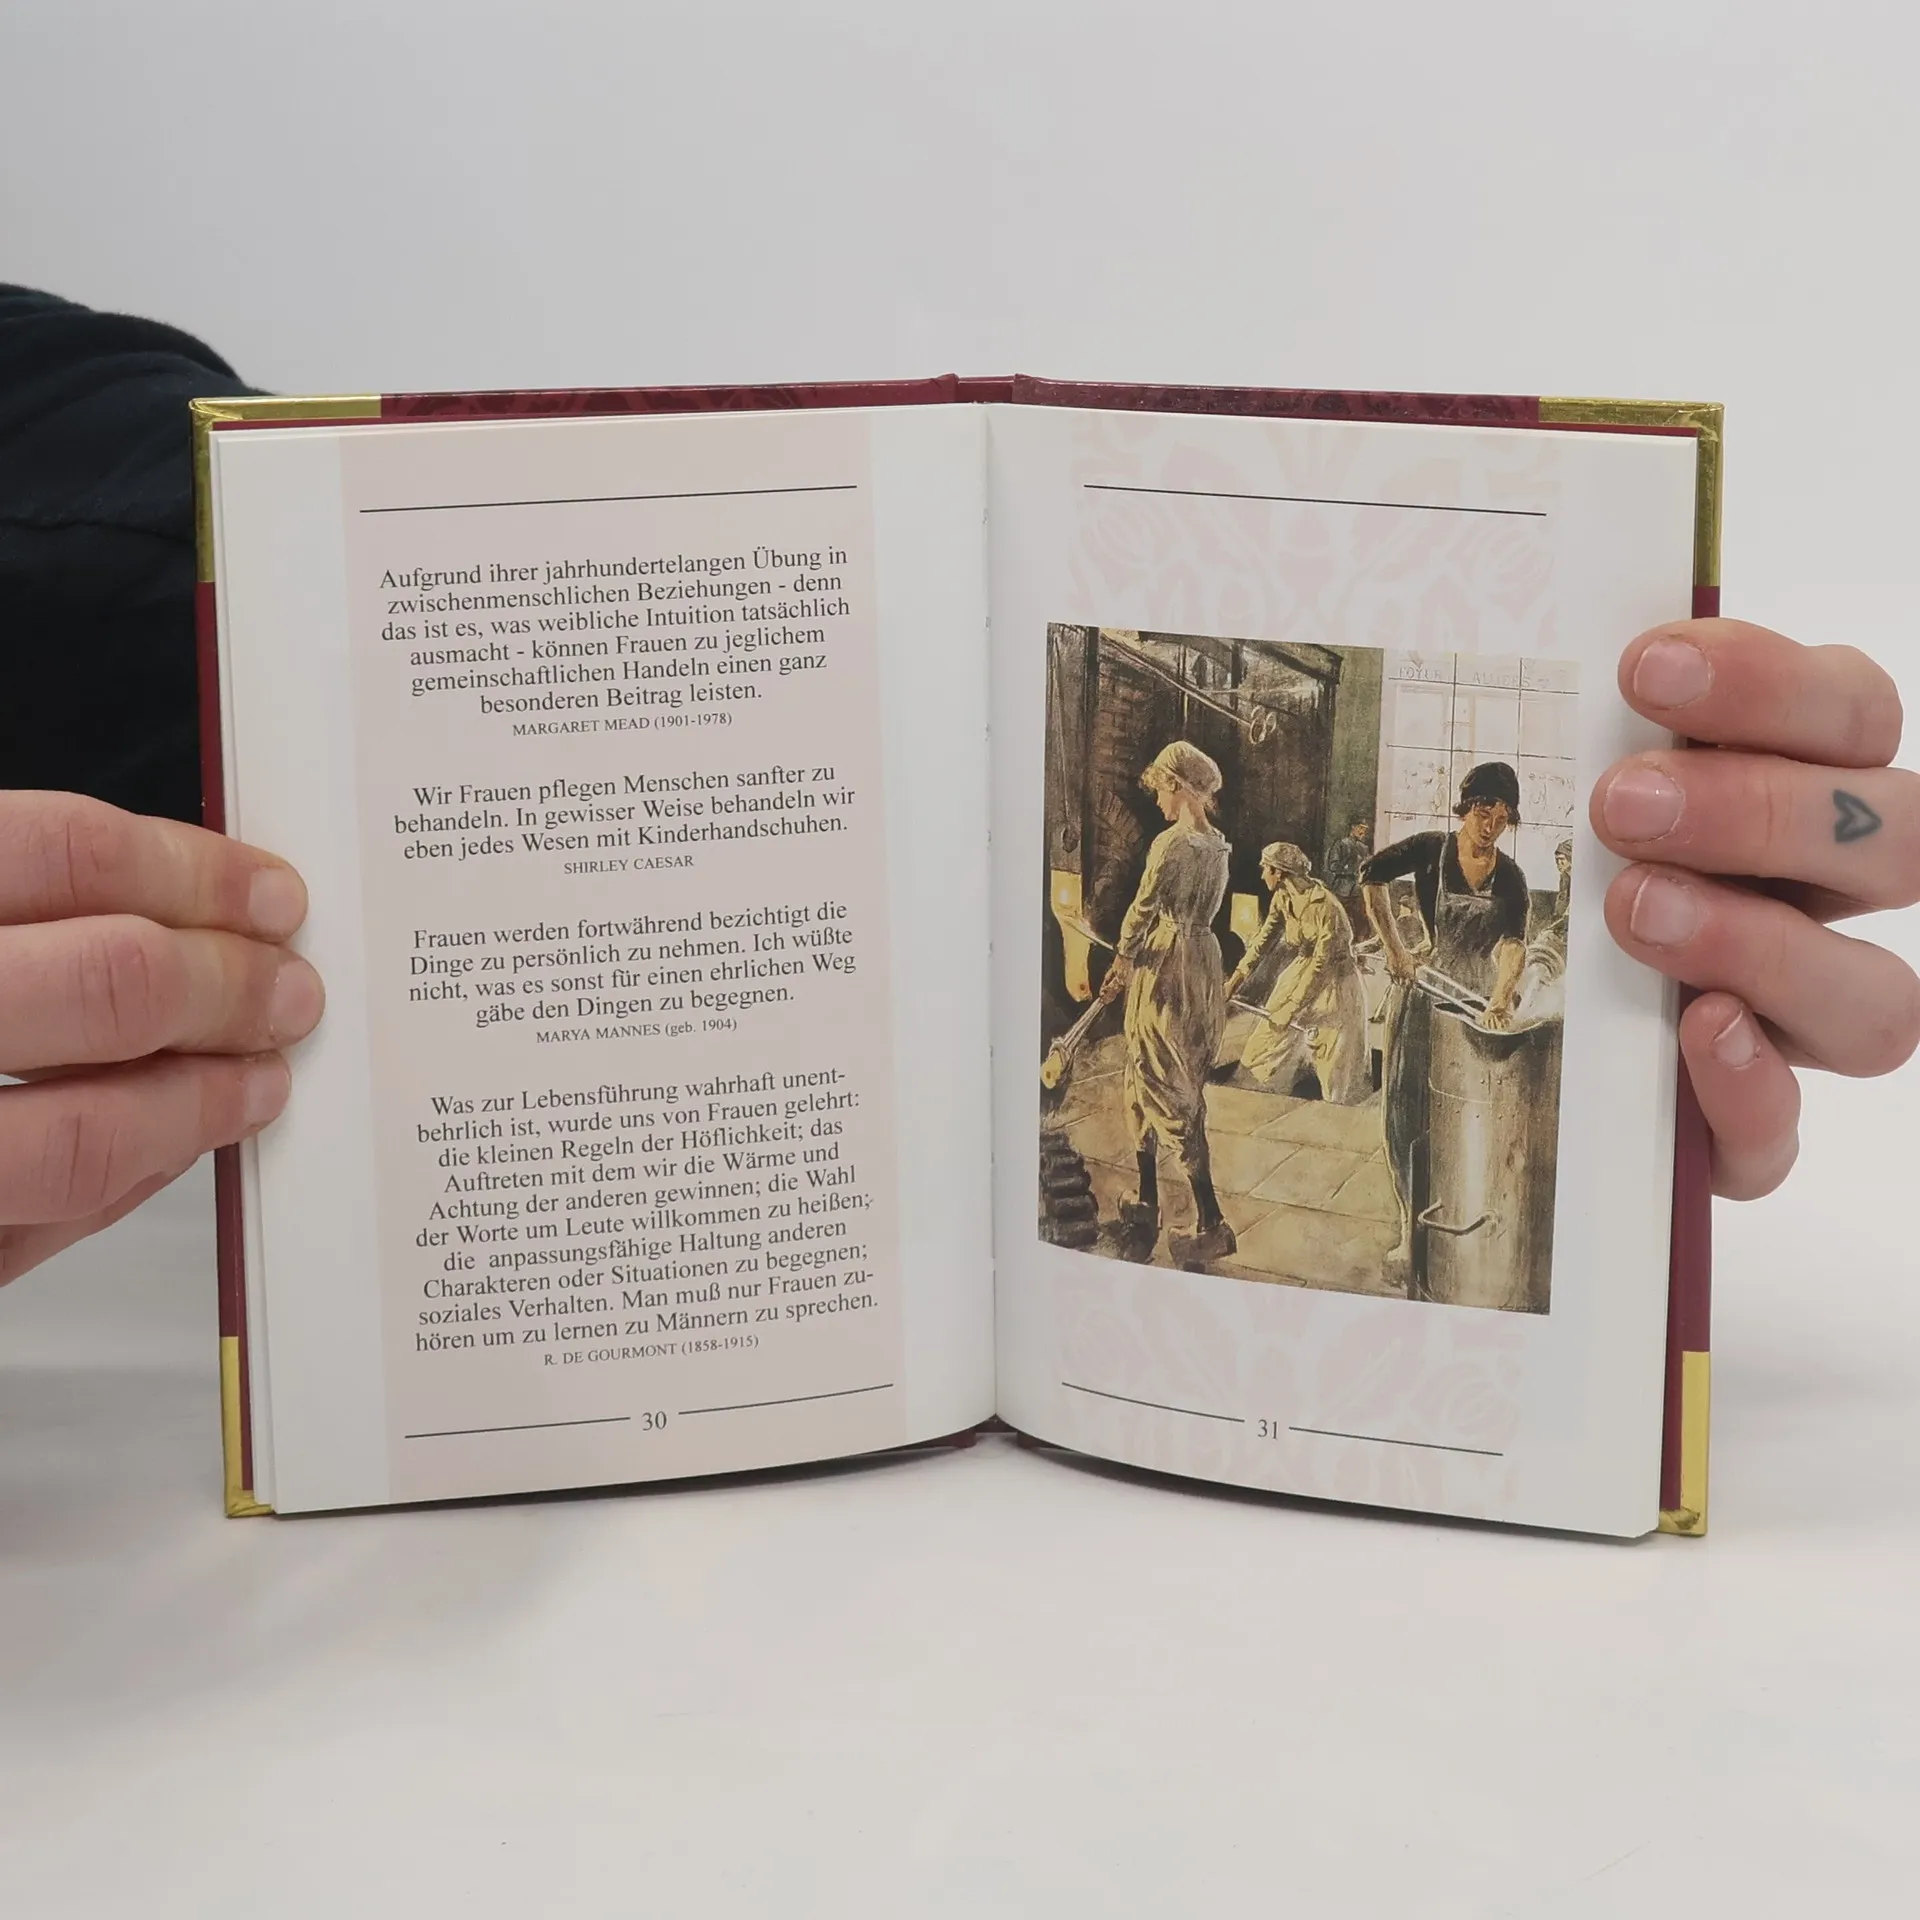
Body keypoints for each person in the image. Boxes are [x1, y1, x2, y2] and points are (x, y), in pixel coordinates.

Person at [3, 285, 1918, 1290]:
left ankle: (1200, 1227)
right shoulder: (1230, 851)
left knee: (1174, 1093)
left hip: (1187, 981)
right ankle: (1195, 1221)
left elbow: (98, 450)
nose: (1171, 785)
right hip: (1183, 985)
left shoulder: (1204, 855)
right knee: (1170, 1097)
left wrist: (1639, 831)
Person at [1360, 762, 1532, 1277]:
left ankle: (1454, 1228)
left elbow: (1513, 945)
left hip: (1474, 1003)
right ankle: (1408, 1230)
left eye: (1501, 818)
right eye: (1483, 813)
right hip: (1424, 994)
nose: (1490, 826)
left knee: (1463, 1118)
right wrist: (1396, 950)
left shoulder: (1512, 877)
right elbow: (1371, 876)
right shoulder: (1431, 850)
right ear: (1466, 808)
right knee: (1406, 1112)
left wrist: (1500, 998)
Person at [1098, 740, 1235, 1266]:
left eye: (1161, 789)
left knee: (1162, 1082)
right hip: (1201, 964)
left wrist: (1122, 958)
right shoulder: (1219, 847)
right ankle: (1148, 1201)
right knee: (1158, 1077)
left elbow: (1144, 905)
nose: (1157, 800)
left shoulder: (1171, 844)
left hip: (1168, 965)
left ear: (1179, 787)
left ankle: (1212, 1221)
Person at [1225, 841, 1369, 1103]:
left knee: (1334, 1064)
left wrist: (1290, 1009)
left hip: (1335, 982)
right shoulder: (1282, 897)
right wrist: (1235, 980)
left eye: (1265, 869)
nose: (1262, 875)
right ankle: (1253, 1092)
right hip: (1301, 970)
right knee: (1263, 1048)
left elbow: (1321, 964)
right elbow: (1263, 940)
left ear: (1279, 871)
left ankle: (1333, 1113)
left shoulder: (1326, 906)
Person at [1322, 818, 1372, 932]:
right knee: (1337, 921)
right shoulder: (1341, 844)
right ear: (1353, 827)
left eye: (1365, 829)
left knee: (1361, 923)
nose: (1363, 832)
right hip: (1342, 890)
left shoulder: (1364, 848)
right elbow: (1333, 866)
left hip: (1358, 891)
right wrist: (1351, 870)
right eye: (1360, 828)